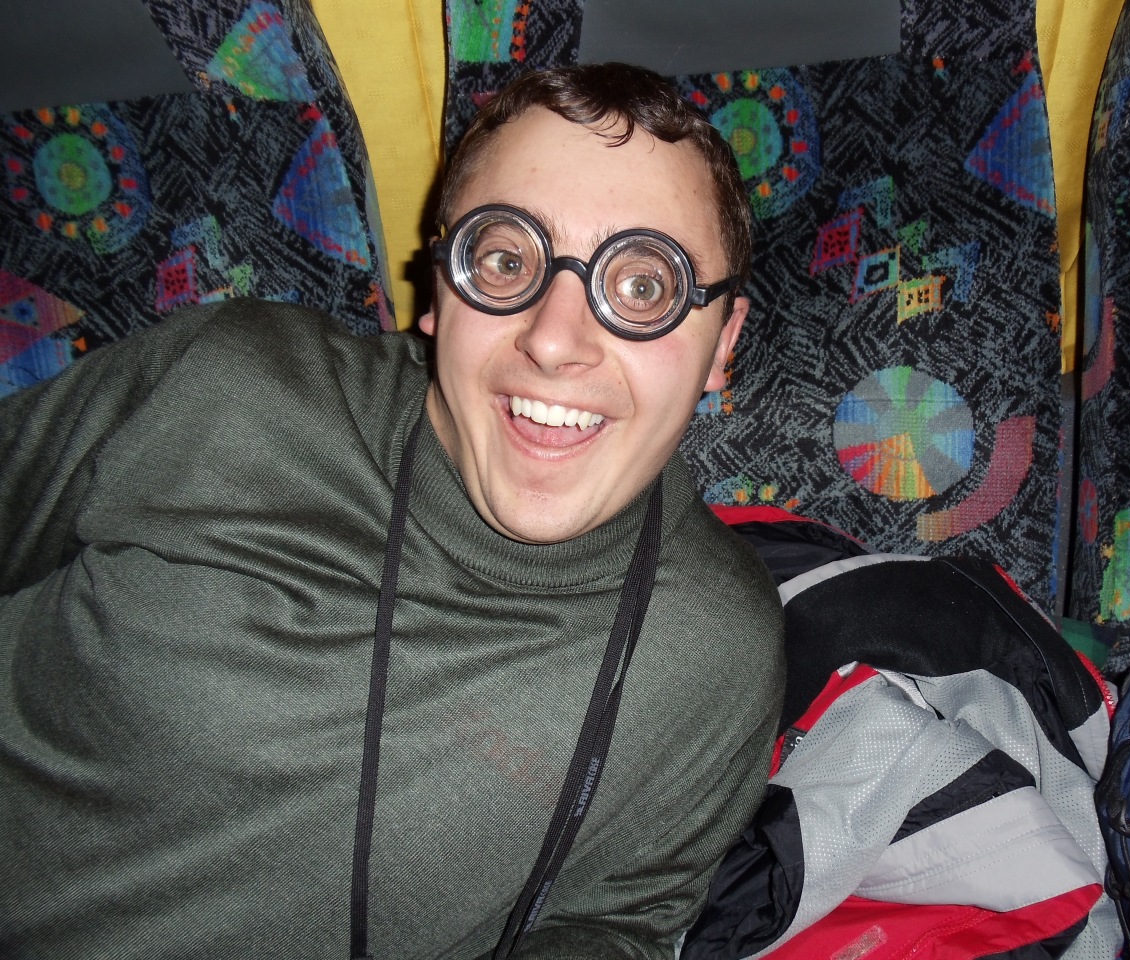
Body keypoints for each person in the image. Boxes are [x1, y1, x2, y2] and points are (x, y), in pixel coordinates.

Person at [0, 63, 784, 959]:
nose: (554, 339)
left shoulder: (716, 651)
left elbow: (617, 921)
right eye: (505, 260)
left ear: (722, 345)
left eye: (644, 287)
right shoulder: (230, 387)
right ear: (441, 287)